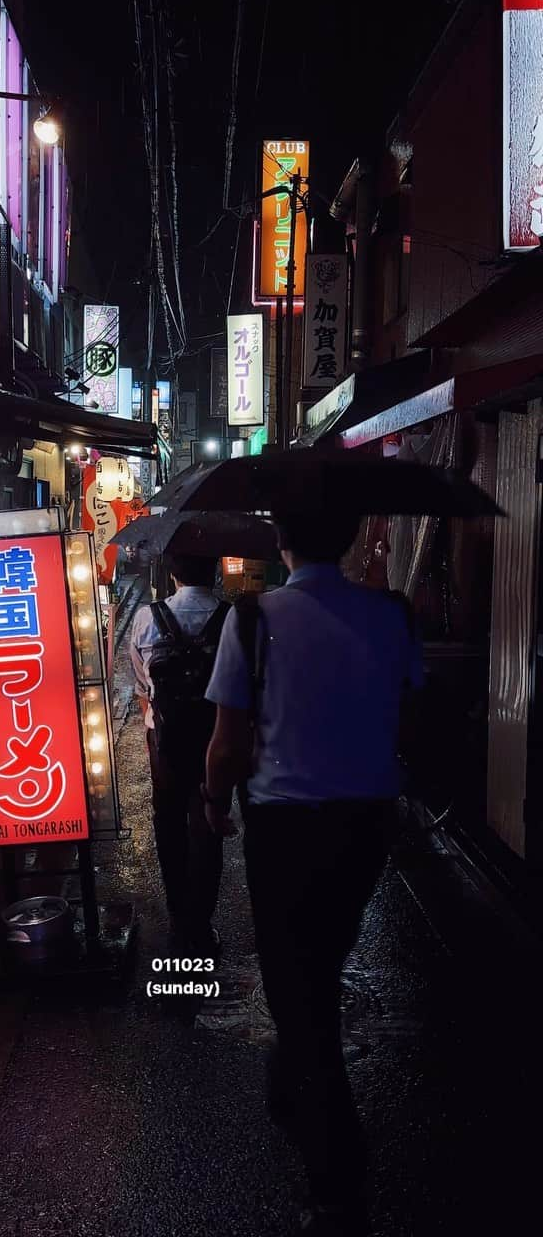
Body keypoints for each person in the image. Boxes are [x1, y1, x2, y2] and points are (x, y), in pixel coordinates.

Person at [202, 504, 424, 1236]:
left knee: (300, 986)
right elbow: (409, 708)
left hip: (284, 827)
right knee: (317, 963)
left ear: (281, 539)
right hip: (365, 825)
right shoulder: (391, 613)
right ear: (356, 535)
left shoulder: (252, 620)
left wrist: (212, 804)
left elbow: (228, 743)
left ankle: (338, 1177)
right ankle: (289, 1085)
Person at [130, 552, 229, 958]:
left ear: (172, 573)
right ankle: (201, 921)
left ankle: (177, 913)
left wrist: (155, 720)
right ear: (217, 570)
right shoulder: (232, 619)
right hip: (215, 739)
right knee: (207, 825)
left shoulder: (145, 618)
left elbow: (141, 686)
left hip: (164, 742)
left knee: (168, 823)